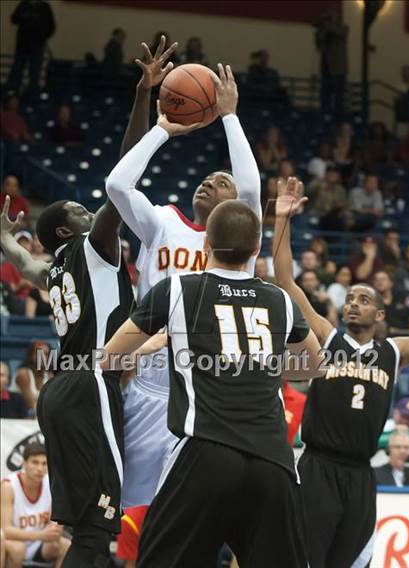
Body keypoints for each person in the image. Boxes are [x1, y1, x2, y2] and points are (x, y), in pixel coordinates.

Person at [0, 38, 176, 567]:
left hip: (62, 390)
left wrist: (7, 239)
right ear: (65, 229)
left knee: (86, 528)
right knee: (100, 524)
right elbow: (124, 176)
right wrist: (144, 98)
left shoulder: (50, 267)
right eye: (79, 209)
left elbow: (25, 263)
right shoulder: (92, 245)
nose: (89, 210)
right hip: (90, 383)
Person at [103, 198, 324, 567]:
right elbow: (315, 365)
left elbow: (110, 357)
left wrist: (156, 345)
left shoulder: (176, 289)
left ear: (205, 244)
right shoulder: (280, 300)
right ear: (255, 249)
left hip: (204, 451)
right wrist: (264, 364)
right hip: (272, 460)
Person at [106, 62, 262, 517]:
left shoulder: (238, 245)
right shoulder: (162, 224)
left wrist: (230, 116)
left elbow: (252, 188)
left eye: (222, 181)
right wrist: (160, 130)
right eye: (207, 177)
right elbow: (117, 183)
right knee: (129, 512)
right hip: (150, 383)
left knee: (188, 517)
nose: (210, 180)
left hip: (207, 387)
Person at [273, 176, 409, 568]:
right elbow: (285, 281)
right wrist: (282, 220)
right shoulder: (328, 337)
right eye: (351, 298)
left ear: (381, 314)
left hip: (360, 474)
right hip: (318, 466)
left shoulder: (392, 351)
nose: (354, 303)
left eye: (364, 299)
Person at [1, 443, 70, 567]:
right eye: (35, 462)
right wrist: (40, 535)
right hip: (13, 541)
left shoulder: (51, 483)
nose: (40, 468)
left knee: (66, 545)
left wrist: (55, 528)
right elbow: (5, 530)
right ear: (24, 463)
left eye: (44, 464)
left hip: (39, 543)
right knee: (18, 549)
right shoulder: (8, 486)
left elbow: (54, 520)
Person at [7, 0, 55, 96]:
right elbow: (14, 19)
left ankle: (32, 93)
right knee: (18, 68)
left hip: (37, 44)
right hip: (23, 44)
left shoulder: (44, 7)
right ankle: (13, 92)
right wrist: (24, 16)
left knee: (34, 71)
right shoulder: (24, 4)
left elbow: (51, 26)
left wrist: (43, 36)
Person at [315, 9, 348, 116]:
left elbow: (340, 33)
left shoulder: (343, 28)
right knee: (325, 94)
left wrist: (326, 24)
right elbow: (319, 43)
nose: (332, 17)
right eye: (331, 15)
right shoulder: (324, 29)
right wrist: (322, 28)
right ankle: (325, 114)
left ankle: (337, 115)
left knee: (338, 95)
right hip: (326, 67)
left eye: (334, 15)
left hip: (338, 68)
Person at [372, 270, 409, 336]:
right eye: (376, 280)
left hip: (407, 338)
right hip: (385, 339)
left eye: (383, 279)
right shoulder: (373, 303)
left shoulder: (403, 298)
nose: (379, 282)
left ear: (391, 283)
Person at [10, 340, 53, 411]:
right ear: (31, 355)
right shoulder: (23, 374)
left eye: (46, 354)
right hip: (16, 416)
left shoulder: (50, 376)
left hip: (36, 417)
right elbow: (32, 405)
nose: (43, 357)